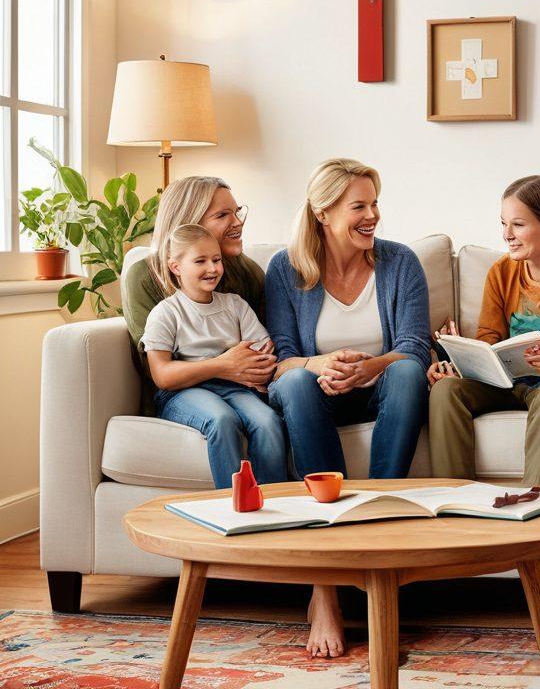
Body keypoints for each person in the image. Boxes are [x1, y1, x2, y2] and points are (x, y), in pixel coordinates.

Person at [265, 158, 430, 660]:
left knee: (404, 371)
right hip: (315, 393)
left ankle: (379, 540)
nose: (372, 215)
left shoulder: (400, 262)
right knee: (294, 384)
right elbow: (279, 358)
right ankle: (324, 590)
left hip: (378, 385)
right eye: (359, 205)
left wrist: (371, 367)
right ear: (323, 212)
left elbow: (415, 348)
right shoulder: (285, 268)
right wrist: (321, 365)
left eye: (374, 203)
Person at [428, 174, 540, 487]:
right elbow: (489, 337)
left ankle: (537, 497)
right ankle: (453, 499)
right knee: (445, 390)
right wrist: (464, 363)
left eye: (518, 224)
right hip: (502, 382)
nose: (507, 234)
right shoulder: (501, 272)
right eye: (504, 223)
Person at [141, 224, 288, 487]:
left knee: (267, 421)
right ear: (176, 267)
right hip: (183, 393)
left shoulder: (234, 305)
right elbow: (162, 375)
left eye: (217, 259)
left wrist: (255, 370)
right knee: (222, 419)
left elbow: (264, 350)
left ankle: (273, 503)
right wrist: (223, 364)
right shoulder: (166, 313)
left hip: (236, 388)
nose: (213, 268)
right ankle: (231, 504)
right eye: (200, 261)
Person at [124, 176, 274, 415]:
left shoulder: (249, 272)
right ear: (190, 224)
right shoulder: (143, 276)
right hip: (182, 398)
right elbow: (155, 368)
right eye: (222, 215)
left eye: (237, 212)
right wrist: (223, 365)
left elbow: (263, 349)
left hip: (244, 393)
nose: (237, 222)